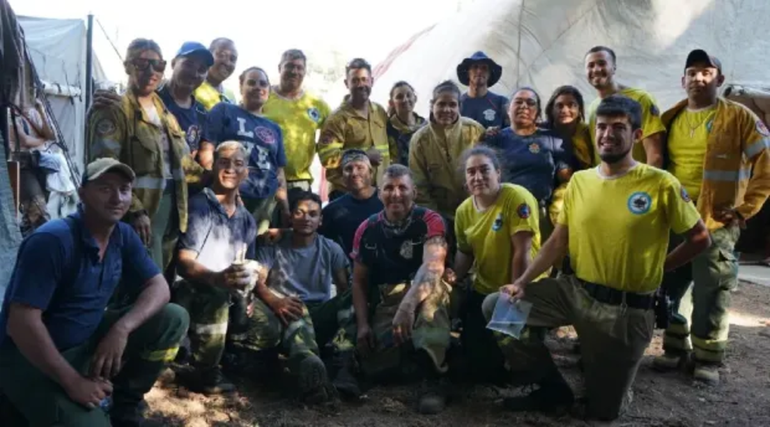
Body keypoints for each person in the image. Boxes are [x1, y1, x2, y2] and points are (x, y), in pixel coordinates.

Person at [481, 95, 710, 421]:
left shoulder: (660, 183)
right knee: (499, 307)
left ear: (637, 135)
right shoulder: (580, 180)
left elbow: (700, 238)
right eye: (602, 127)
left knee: (602, 412)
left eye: (618, 127)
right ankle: (550, 387)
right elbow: (558, 241)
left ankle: (608, 376)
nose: (607, 134)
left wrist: (658, 270)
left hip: (625, 310)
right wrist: (521, 282)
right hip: (574, 292)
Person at [0, 158, 190, 427]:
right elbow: (21, 323)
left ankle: (125, 405)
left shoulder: (122, 234)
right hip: (29, 358)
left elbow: (159, 287)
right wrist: (74, 382)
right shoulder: (52, 241)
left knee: (173, 318)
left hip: (85, 338)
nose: (117, 198)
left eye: (124, 189)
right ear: (82, 194)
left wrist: (121, 329)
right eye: (105, 188)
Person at [655, 50, 770, 384]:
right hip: (675, 217)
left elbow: (766, 164)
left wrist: (745, 209)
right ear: (683, 80)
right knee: (673, 282)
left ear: (719, 79)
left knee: (712, 288)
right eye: (692, 72)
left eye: (706, 72)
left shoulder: (740, 118)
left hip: (716, 221)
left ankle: (708, 357)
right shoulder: (670, 118)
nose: (698, 78)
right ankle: (675, 346)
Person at [87, 38, 206, 273]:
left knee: (161, 276)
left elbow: (184, 164)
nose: (151, 71)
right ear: (127, 66)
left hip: (173, 212)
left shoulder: (164, 113)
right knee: (146, 281)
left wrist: (218, 178)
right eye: (142, 64)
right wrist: (135, 210)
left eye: (158, 65)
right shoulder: (113, 109)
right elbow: (105, 168)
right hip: (140, 215)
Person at [350, 164, 452, 414]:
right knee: (375, 365)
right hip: (389, 297)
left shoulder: (430, 220)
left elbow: (433, 267)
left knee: (431, 302)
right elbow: (359, 281)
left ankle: (433, 378)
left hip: (425, 290)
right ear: (379, 193)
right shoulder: (367, 229)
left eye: (402, 188)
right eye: (388, 188)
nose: (395, 194)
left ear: (414, 192)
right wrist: (363, 324)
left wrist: (408, 306)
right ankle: (416, 357)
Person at [241, 191, 352, 402]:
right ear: (290, 217)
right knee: (295, 306)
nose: (306, 218)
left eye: (313, 214)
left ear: (320, 220)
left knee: (352, 298)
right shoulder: (273, 245)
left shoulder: (331, 249)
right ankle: (309, 367)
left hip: (319, 314)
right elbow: (258, 281)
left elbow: (344, 288)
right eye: (299, 213)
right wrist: (275, 301)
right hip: (285, 312)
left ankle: (345, 362)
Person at [173, 141, 258, 395]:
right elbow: (184, 263)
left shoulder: (247, 219)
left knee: (257, 313)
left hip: (226, 289)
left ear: (246, 173)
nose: (231, 169)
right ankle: (204, 371)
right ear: (213, 167)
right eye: (224, 162)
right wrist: (217, 278)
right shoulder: (200, 206)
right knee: (218, 296)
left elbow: (249, 264)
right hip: (192, 289)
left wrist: (250, 293)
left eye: (238, 164)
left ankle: (233, 358)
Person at [452, 146, 542, 384]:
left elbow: (522, 252)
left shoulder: (516, 198)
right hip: (485, 287)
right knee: (480, 363)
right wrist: (453, 277)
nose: (478, 177)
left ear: (498, 173)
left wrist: (513, 293)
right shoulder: (463, 212)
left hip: (522, 286)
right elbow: (464, 252)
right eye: (471, 172)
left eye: (484, 170)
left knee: (515, 354)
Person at [206, 67, 289, 235]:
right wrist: (221, 192)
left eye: (263, 84)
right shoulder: (224, 110)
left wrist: (285, 207)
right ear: (241, 86)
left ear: (269, 90)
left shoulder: (274, 128)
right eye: (251, 83)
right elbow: (207, 151)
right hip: (229, 196)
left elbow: (279, 170)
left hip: (264, 204)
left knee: (254, 246)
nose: (258, 87)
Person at [484, 87, 574, 240]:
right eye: (518, 102)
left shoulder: (553, 139)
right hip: (503, 213)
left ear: (538, 112)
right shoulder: (495, 139)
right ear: (508, 109)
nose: (524, 106)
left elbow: (567, 180)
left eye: (530, 103)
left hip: (540, 215)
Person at [410, 80, 485, 223]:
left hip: (476, 211)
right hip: (440, 214)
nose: (446, 110)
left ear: (459, 107)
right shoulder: (419, 140)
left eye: (452, 105)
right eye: (441, 104)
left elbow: (488, 172)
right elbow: (419, 185)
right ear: (432, 105)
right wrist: (435, 218)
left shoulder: (474, 130)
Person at [263, 49, 331, 201]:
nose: (294, 72)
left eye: (299, 67)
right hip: (265, 178)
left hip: (300, 181)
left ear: (305, 71)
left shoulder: (317, 104)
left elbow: (334, 135)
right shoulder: (263, 96)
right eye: (289, 66)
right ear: (279, 68)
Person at [319, 58, 390, 200]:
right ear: (347, 83)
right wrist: (364, 156)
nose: (361, 85)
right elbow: (327, 157)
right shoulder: (337, 119)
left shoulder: (379, 111)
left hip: (376, 192)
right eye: (355, 80)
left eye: (364, 79)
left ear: (372, 81)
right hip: (346, 193)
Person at [585, 45, 666, 167]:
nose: (596, 69)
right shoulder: (592, 107)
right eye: (590, 65)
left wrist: (646, 179)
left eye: (602, 63)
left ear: (614, 67)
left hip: (637, 178)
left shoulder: (641, 99)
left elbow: (655, 156)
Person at [157, 42, 215, 169]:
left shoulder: (201, 113)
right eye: (188, 64)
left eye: (202, 69)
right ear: (173, 63)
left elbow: (205, 158)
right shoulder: (150, 98)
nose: (194, 74)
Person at [319, 149, 384, 261]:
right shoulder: (332, 211)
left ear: (371, 173)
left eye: (360, 168)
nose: (354, 173)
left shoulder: (388, 203)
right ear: (342, 177)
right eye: (348, 169)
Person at [456, 51, 509, 130]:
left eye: (484, 68)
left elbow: (510, 132)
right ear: (468, 73)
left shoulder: (501, 103)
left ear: (489, 74)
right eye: (475, 67)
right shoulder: (457, 104)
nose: (479, 71)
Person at [386, 81, 427, 165]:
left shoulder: (425, 125)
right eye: (399, 97)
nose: (405, 100)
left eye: (409, 95)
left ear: (415, 98)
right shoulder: (388, 129)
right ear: (391, 103)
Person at [194, 38, 238, 111]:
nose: (227, 63)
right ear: (208, 55)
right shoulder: (193, 86)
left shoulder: (230, 96)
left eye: (232, 59)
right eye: (221, 55)